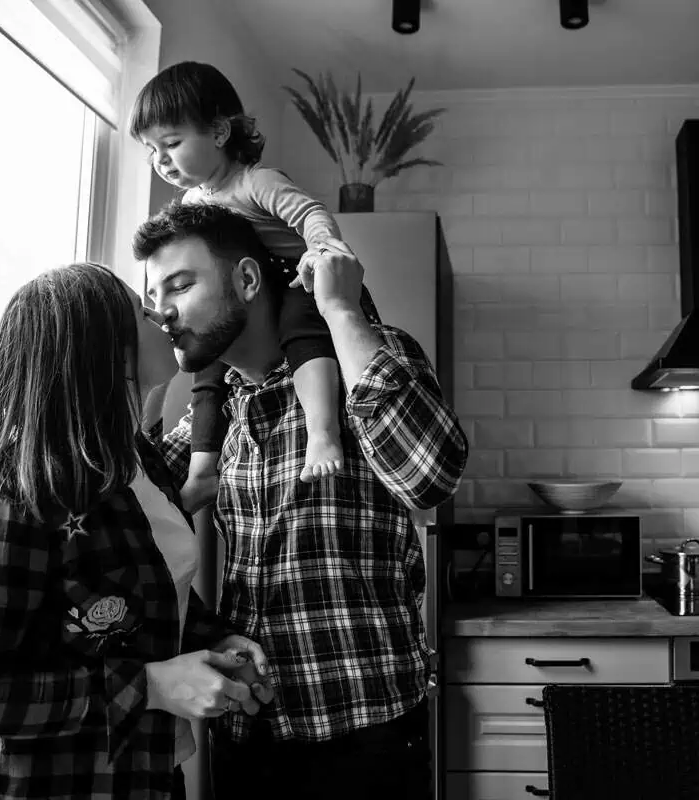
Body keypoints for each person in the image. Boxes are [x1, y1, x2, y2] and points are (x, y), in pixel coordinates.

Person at [136, 202, 469, 799]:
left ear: (245, 279)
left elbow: (429, 477)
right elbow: (125, 510)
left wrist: (339, 308)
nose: (163, 311)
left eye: (181, 285)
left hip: (366, 734)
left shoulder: (363, 359)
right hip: (248, 733)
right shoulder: (215, 412)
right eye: (153, 296)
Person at [0, 262, 274, 800]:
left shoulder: (139, 462)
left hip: (147, 776)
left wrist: (213, 639)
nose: (160, 313)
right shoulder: (18, 503)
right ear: (107, 352)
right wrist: (152, 685)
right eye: (141, 309)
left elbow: (149, 591)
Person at [129, 60, 378, 505]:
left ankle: (322, 431)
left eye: (171, 143)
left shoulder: (255, 181)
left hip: (293, 283)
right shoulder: (191, 201)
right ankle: (203, 470)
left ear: (220, 133)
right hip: (241, 303)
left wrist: (320, 253)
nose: (160, 160)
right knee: (207, 374)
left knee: (307, 342)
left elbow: (311, 214)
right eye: (151, 150)